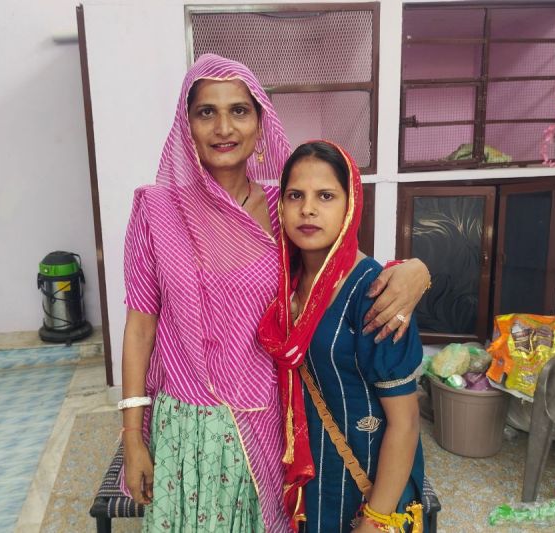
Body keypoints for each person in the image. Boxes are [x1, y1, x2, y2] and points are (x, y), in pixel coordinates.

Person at [120, 55, 430, 532]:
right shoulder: (156, 210)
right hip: (186, 425)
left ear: (260, 122)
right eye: (206, 112)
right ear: (186, 124)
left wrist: (416, 270)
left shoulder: (282, 206)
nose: (224, 127)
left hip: (269, 425)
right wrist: (132, 436)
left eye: (239, 111)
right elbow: (140, 328)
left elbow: (338, 262)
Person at [258, 141, 425, 533]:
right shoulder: (284, 283)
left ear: (350, 205)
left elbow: (405, 423)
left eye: (326, 196)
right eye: (295, 195)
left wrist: (376, 519)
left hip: (368, 485)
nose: (308, 209)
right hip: (311, 479)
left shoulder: (376, 293)